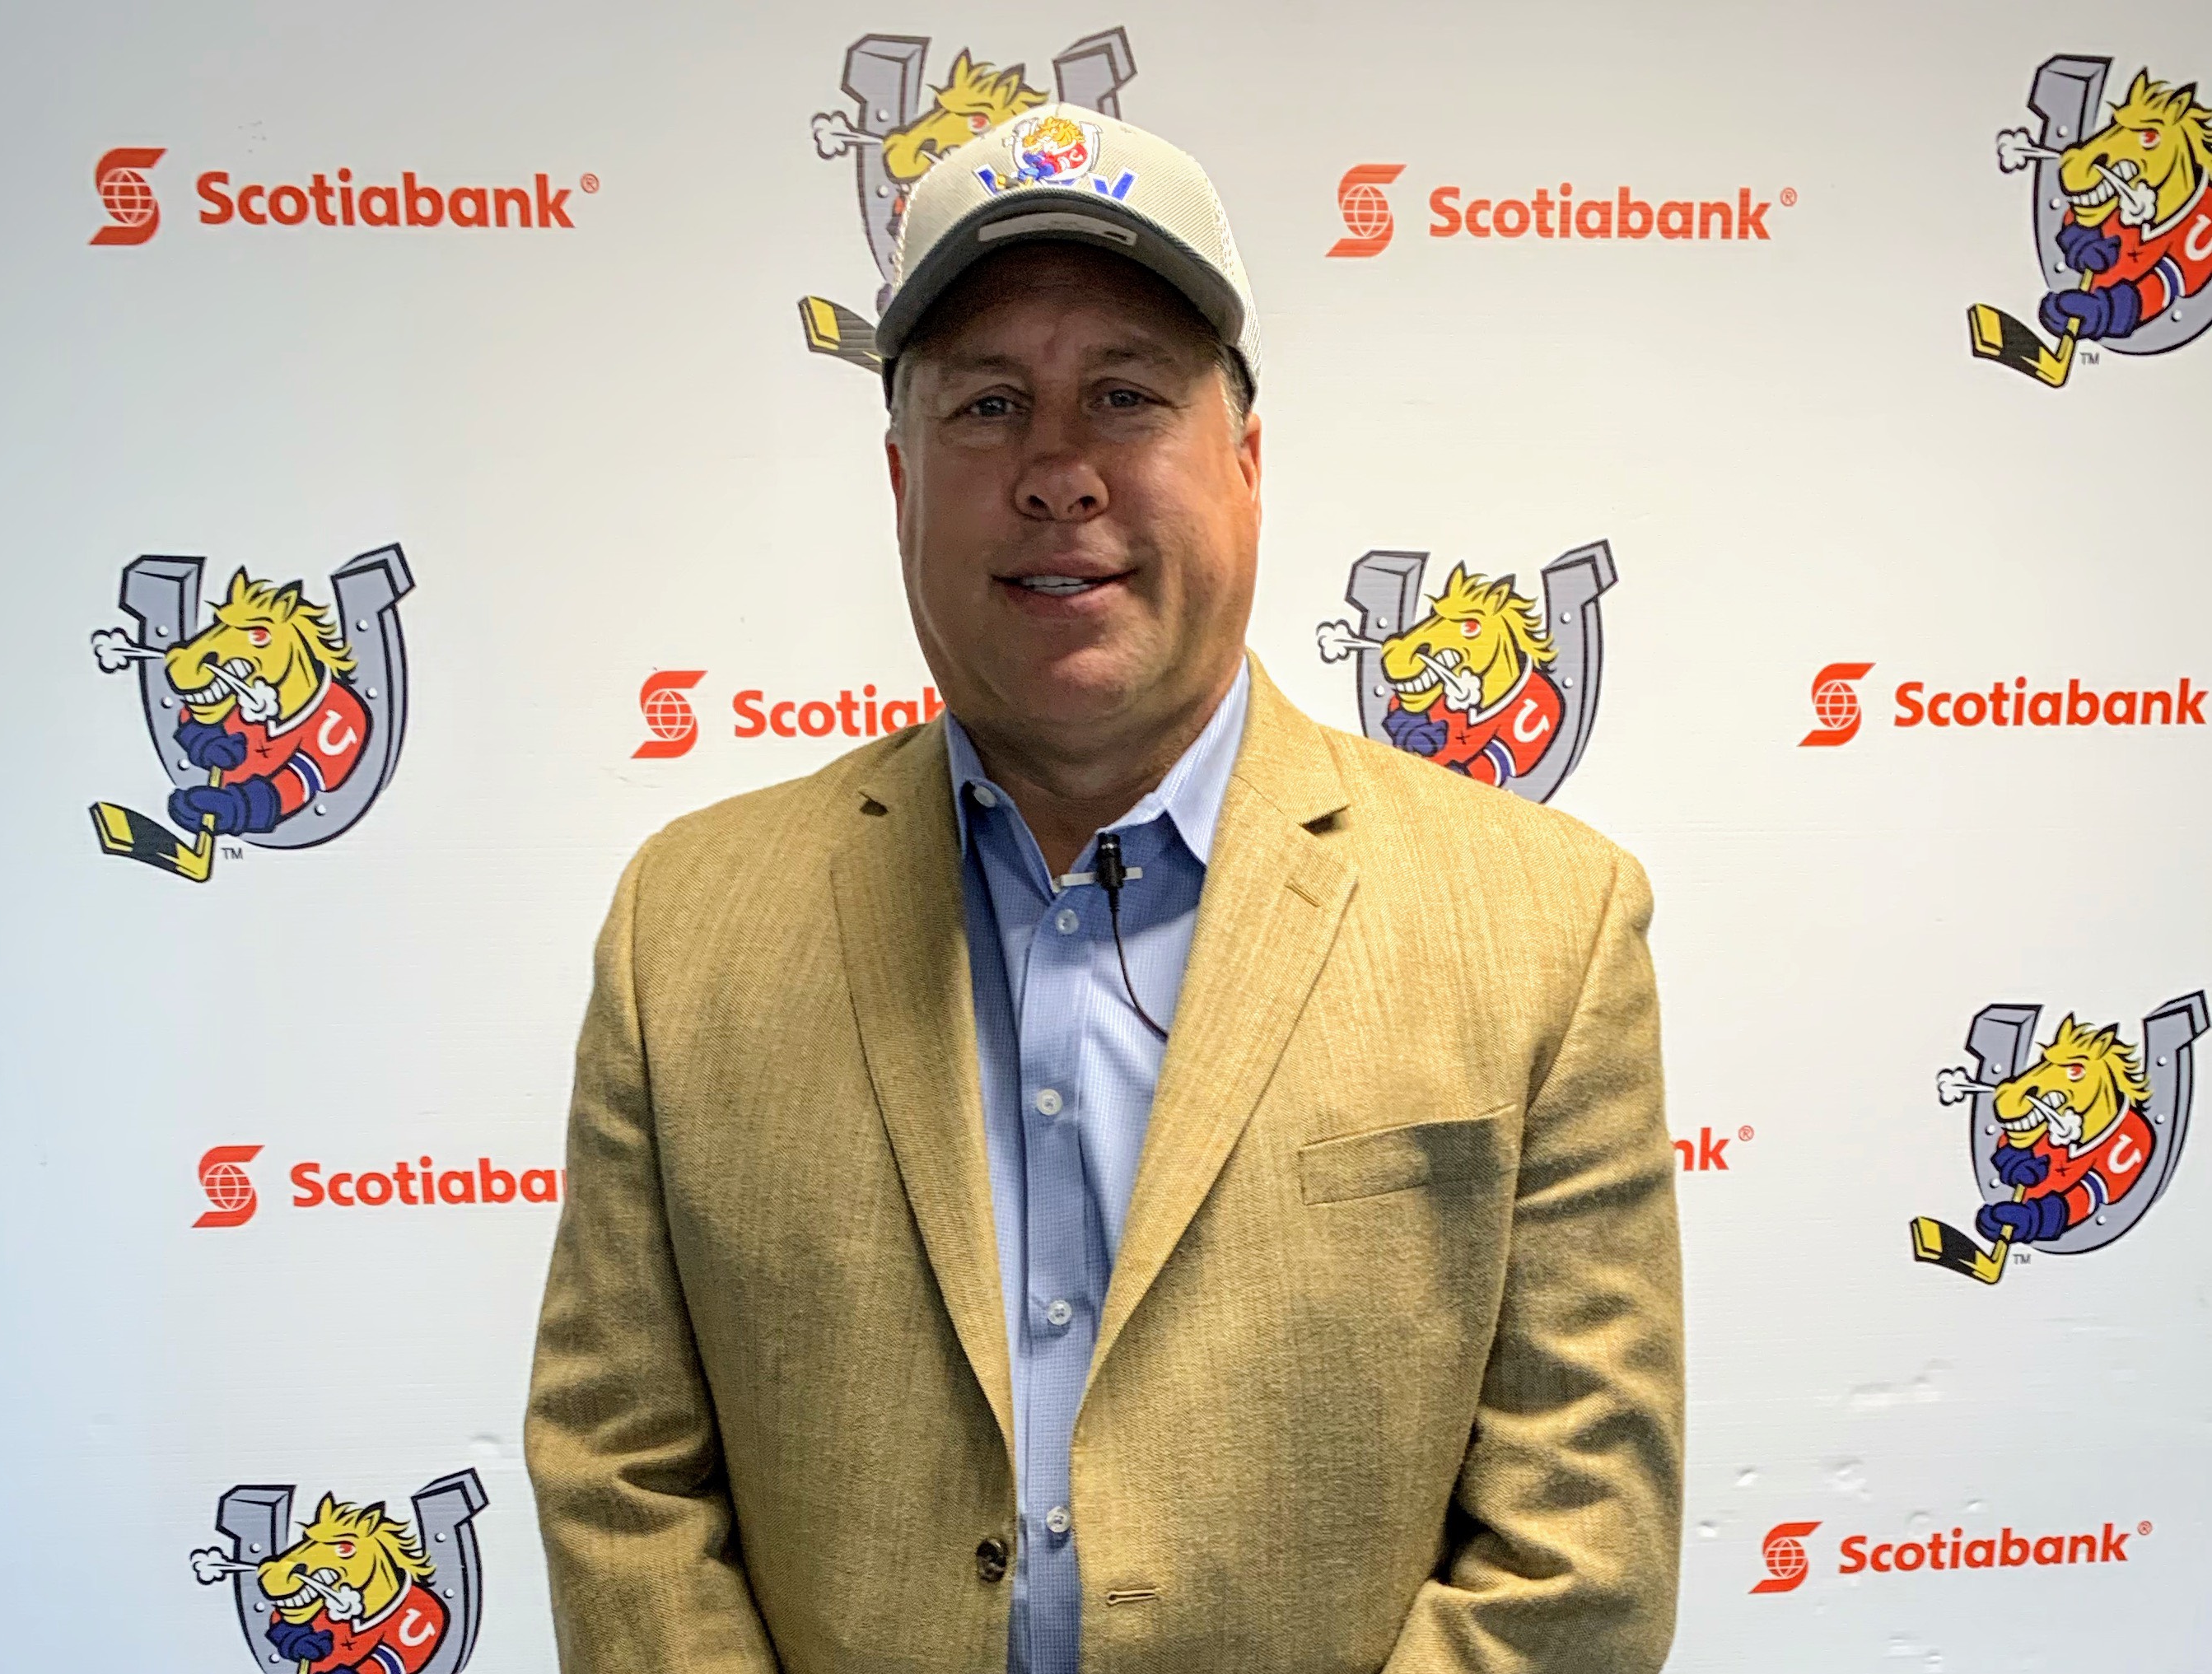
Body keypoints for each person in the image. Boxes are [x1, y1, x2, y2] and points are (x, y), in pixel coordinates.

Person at [525, 105, 1682, 1673]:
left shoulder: (1545, 923)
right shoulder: (688, 926)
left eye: (1126, 397)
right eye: (990, 404)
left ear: (1247, 464)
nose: (1059, 472)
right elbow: (622, 1479)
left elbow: (1580, 1553)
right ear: (900, 479)